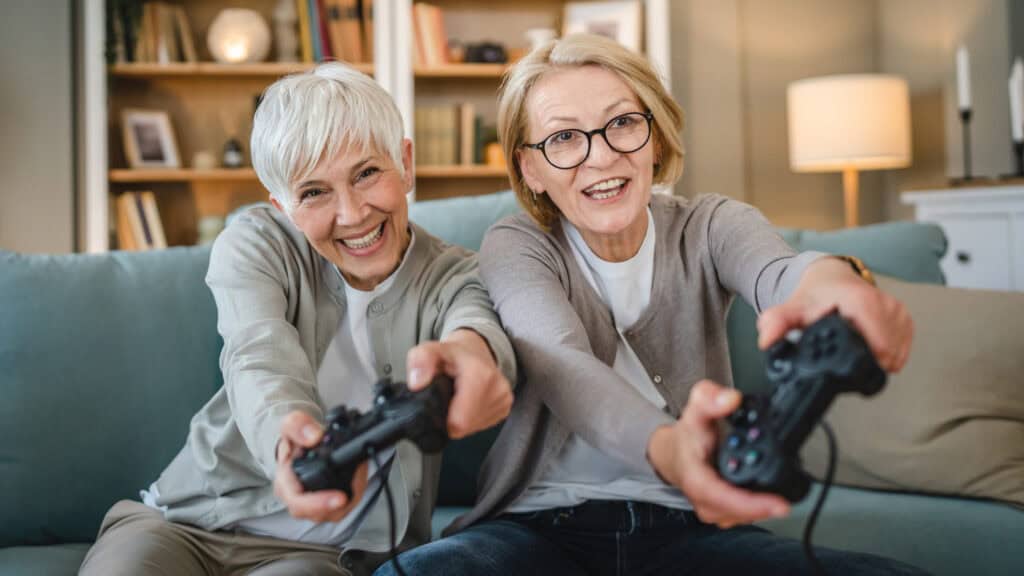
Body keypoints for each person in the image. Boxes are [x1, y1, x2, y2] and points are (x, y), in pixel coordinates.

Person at [379, 34, 928, 576]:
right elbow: (559, 360)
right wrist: (671, 449)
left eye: (622, 123)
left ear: (656, 138)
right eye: (564, 137)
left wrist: (836, 283)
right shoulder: (518, 243)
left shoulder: (712, 224)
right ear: (531, 169)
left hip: (690, 529)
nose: (600, 156)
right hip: (536, 527)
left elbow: (781, 273)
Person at [79, 62, 515, 576]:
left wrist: (471, 357)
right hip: (187, 523)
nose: (352, 214)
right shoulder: (257, 243)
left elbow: (477, 328)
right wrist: (290, 441)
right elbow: (256, 354)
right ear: (283, 207)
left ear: (406, 163)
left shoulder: (456, 273)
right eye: (313, 192)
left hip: (323, 554)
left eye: (367, 172)